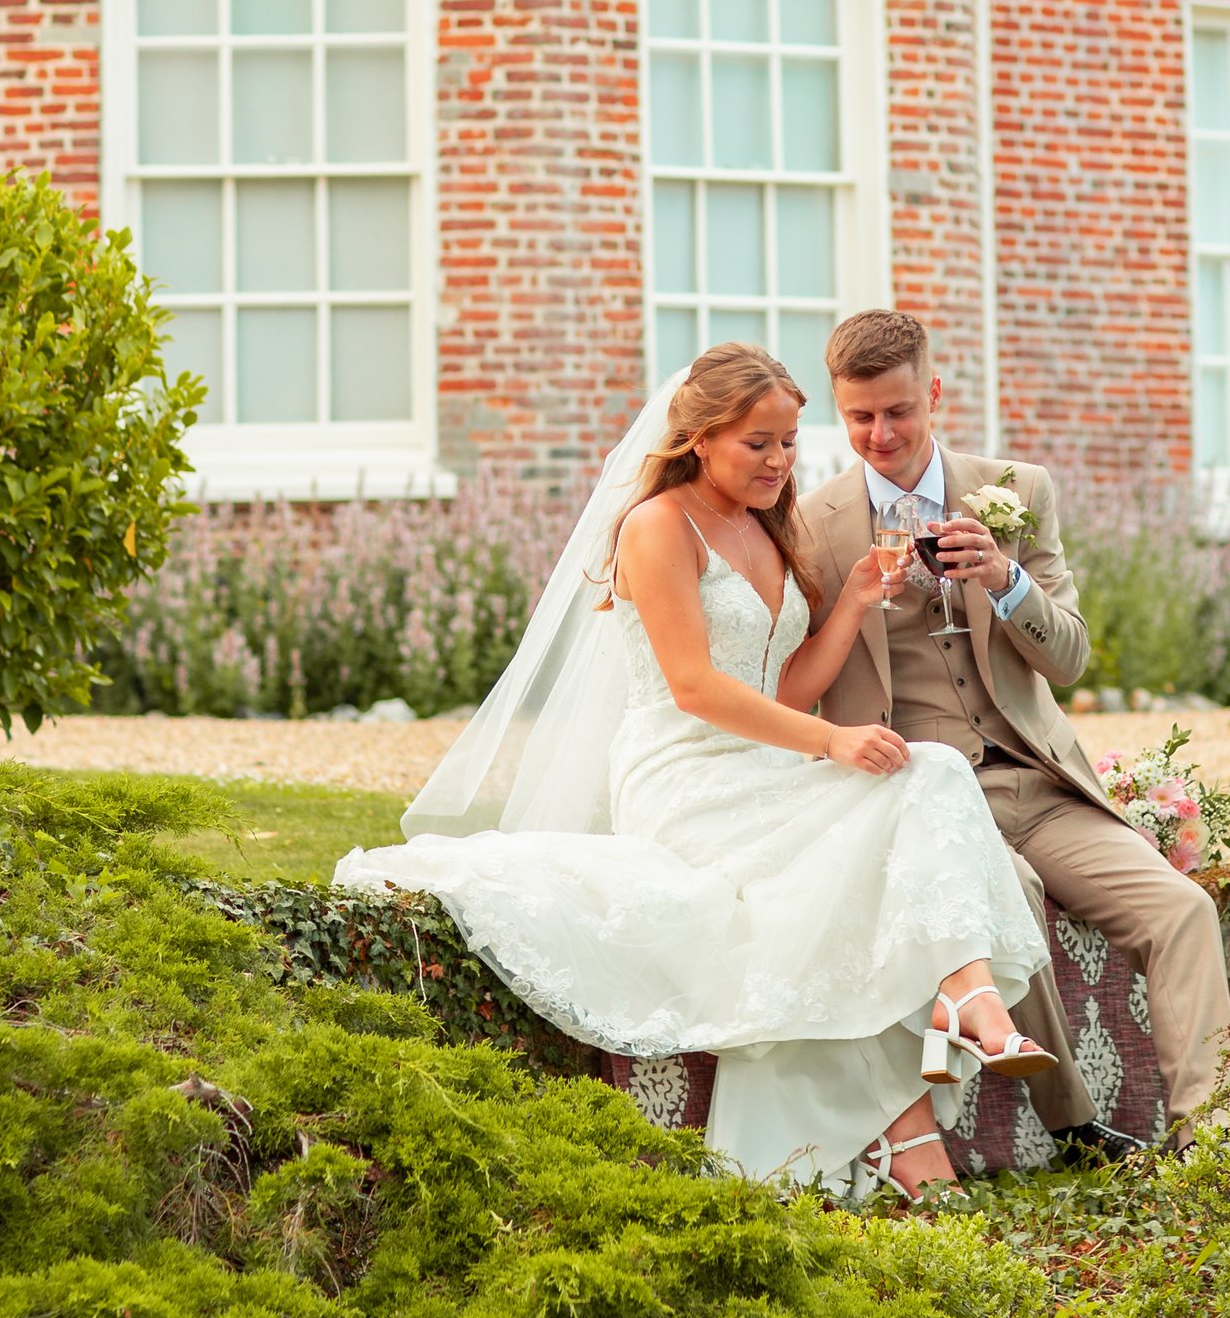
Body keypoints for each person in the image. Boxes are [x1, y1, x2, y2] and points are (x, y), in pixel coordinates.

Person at [335, 343, 1061, 1199]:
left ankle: (963, 997)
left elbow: (779, 686)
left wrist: (855, 602)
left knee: (930, 769)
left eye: (788, 442)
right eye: (758, 443)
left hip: (765, 770)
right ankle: (920, 1111)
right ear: (701, 437)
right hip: (684, 778)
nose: (779, 462)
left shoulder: (767, 525)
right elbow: (693, 686)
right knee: (883, 821)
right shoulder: (656, 526)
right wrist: (831, 742)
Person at [799, 308, 1230, 1146]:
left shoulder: (1017, 491)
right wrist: (855, 603)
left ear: (934, 393)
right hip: (920, 799)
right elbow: (794, 686)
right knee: (1017, 898)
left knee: (1182, 909)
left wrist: (1005, 580)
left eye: (899, 411)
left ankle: (1217, 1137)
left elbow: (1069, 659)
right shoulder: (811, 524)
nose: (881, 435)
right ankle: (1076, 1127)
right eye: (860, 416)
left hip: (1036, 784)